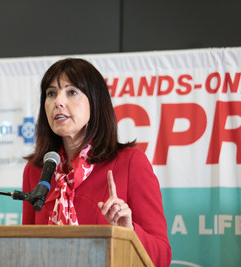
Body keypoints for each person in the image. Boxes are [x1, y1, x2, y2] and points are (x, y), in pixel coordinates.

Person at [22, 58, 171, 267]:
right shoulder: (36, 171)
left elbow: (162, 258)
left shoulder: (130, 163)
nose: (58, 101)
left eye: (71, 92)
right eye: (51, 93)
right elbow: (26, 248)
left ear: (95, 101)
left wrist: (129, 232)